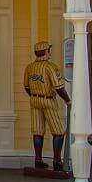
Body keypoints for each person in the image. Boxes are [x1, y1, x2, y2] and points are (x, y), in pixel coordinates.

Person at [22, 40, 71, 170]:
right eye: (48, 50)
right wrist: (68, 100)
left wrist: (35, 95)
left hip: (34, 100)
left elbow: (26, 87)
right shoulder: (50, 67)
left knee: (38, 131)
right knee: (58, 131)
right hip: (48, 99)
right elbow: (59, 87)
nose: (50, 53)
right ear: (45, 52)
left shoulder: (30, 67)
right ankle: (57, 161)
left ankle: (38, 160)